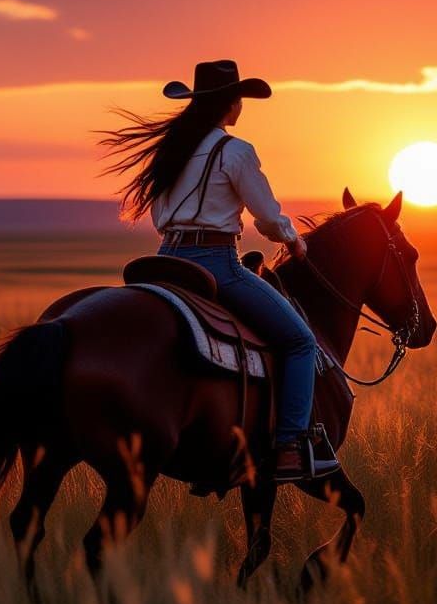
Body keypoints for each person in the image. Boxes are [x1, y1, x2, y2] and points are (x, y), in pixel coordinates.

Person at [99, 59, 335, 483]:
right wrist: (294, 240)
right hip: (215, 264)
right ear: (231, 104)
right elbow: (267, 217)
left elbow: (159, 215)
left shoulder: (170, 149)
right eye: (239, 99)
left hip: (164, 260)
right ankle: (288, 449)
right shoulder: (235, 151)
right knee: (299, 341)